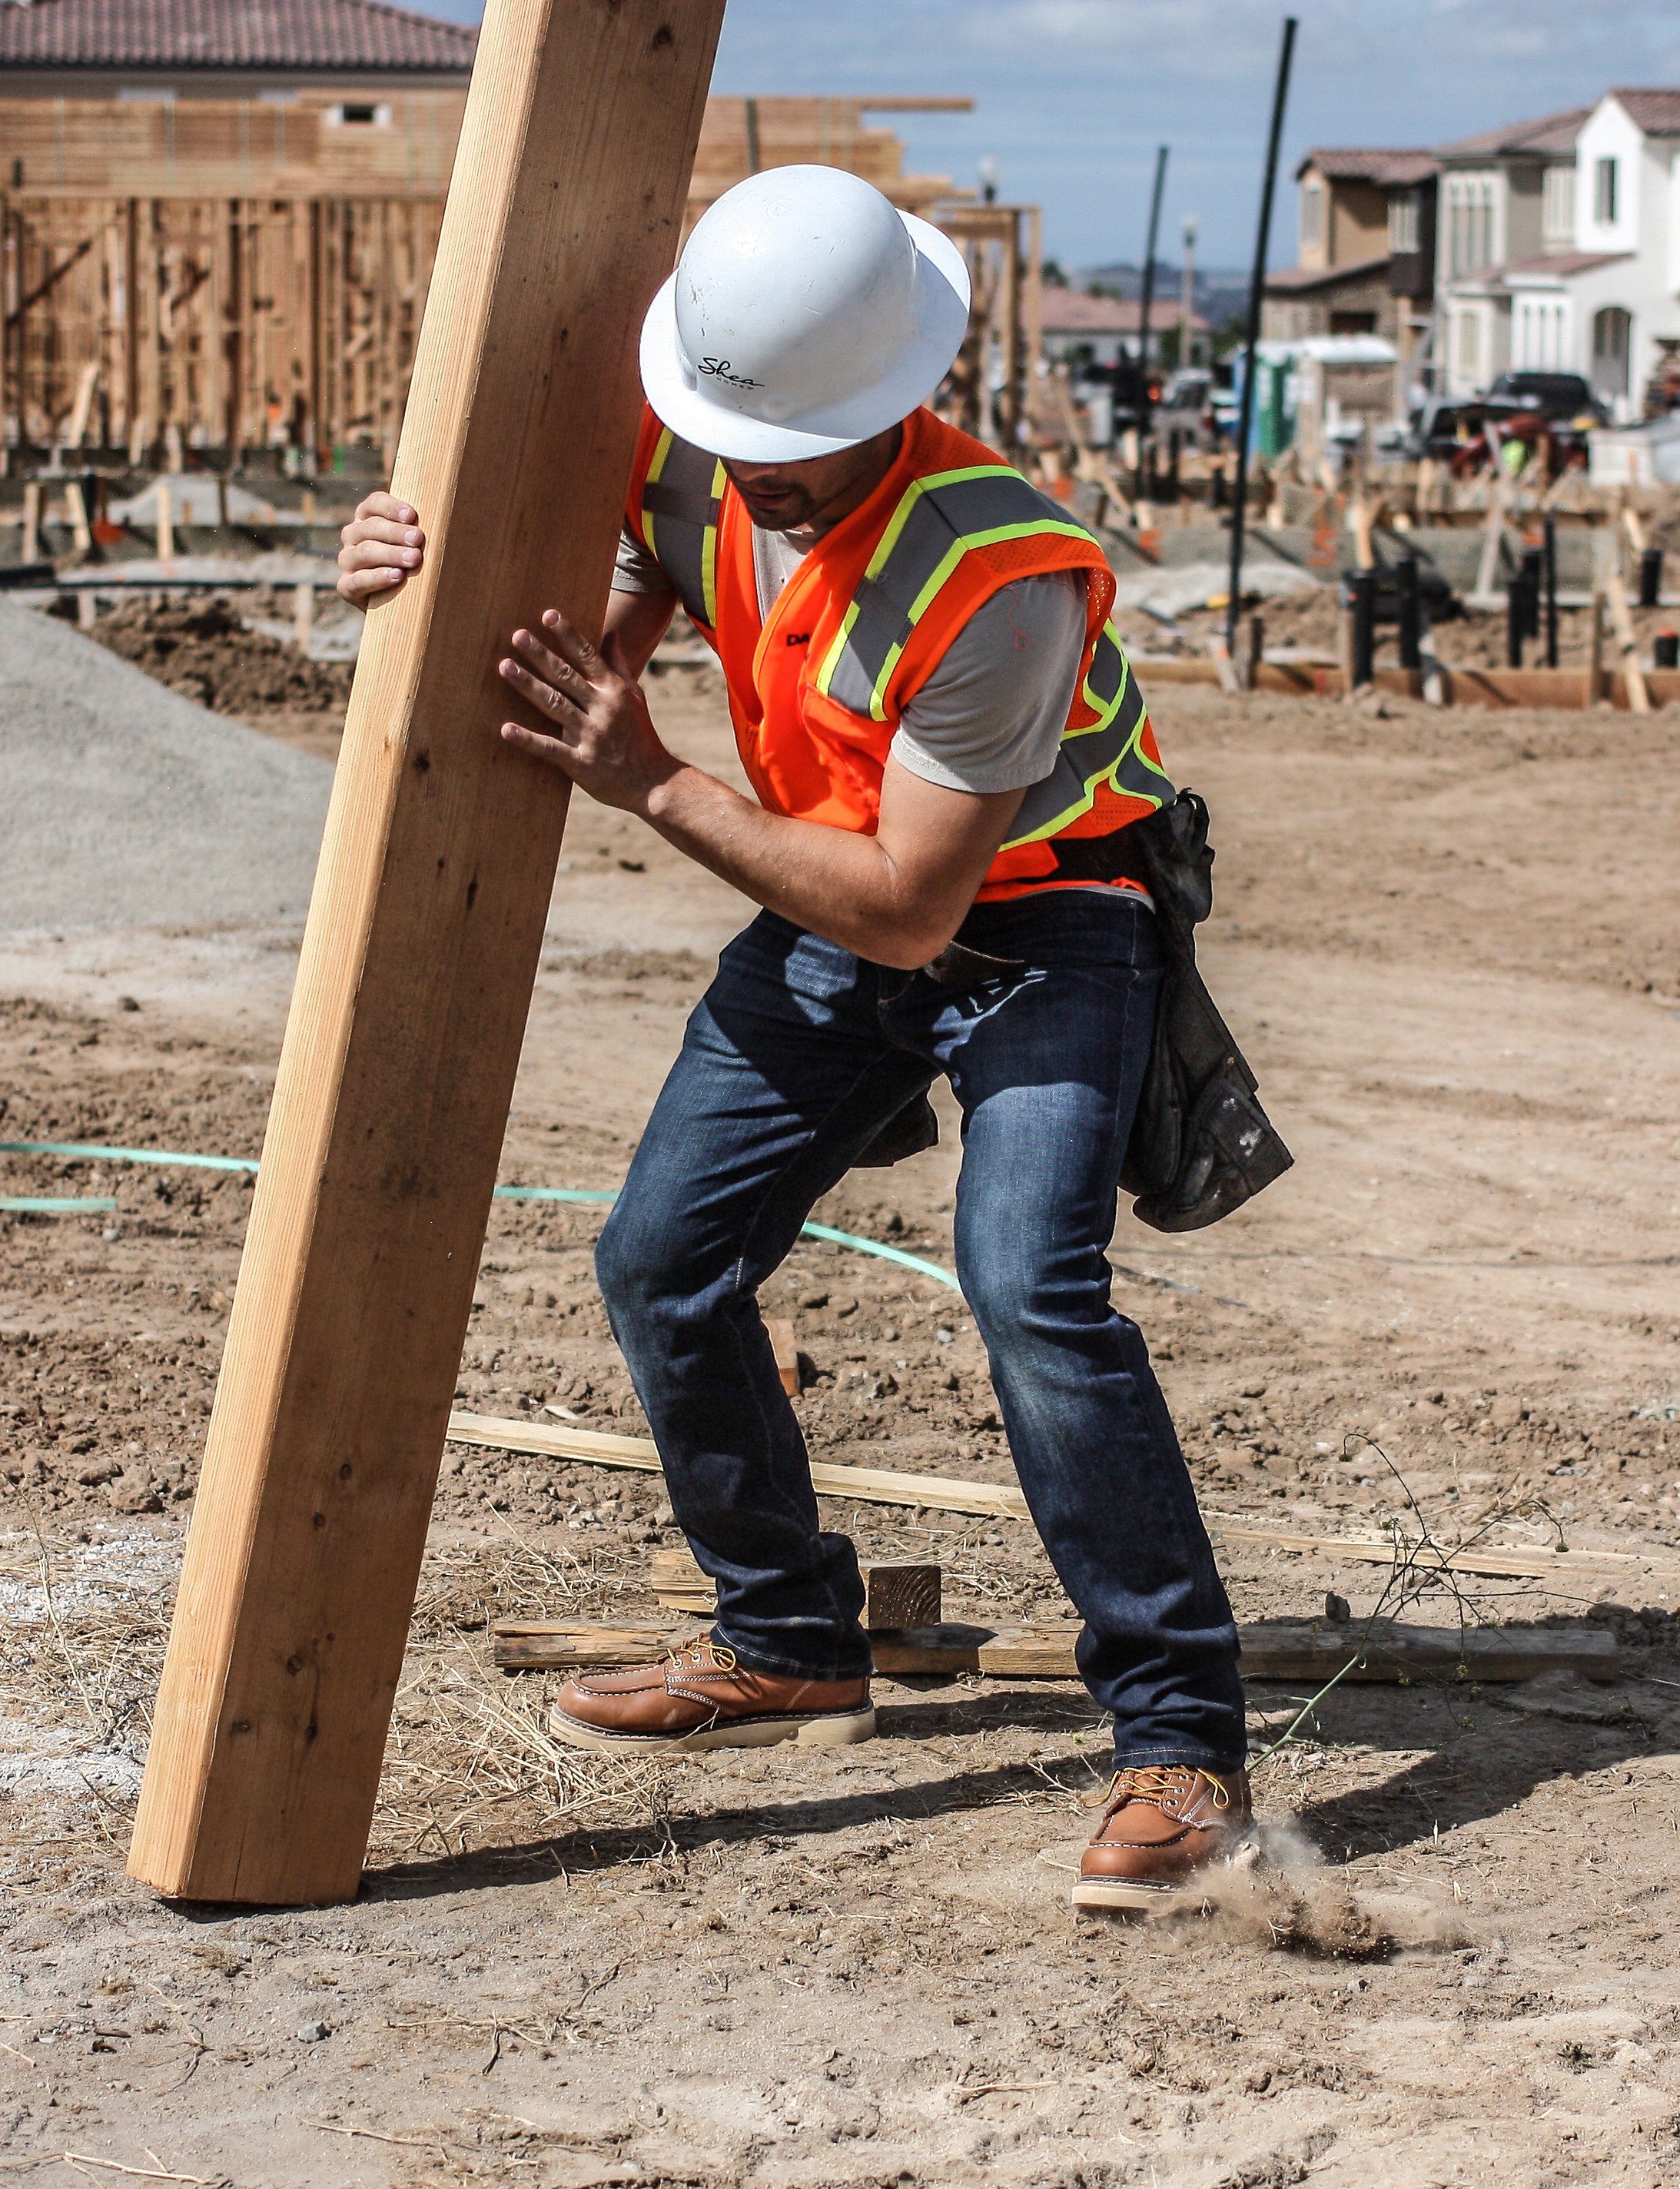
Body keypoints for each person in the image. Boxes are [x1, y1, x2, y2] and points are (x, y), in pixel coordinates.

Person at [334, 165, 1247, 1912]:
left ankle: (1178, 1733)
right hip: (843, 893)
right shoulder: (701, 439)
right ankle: (789, 1636)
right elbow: (552, 655)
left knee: (1029, 1285)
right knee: (660, 1256)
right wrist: (401, 566)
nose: (742, 482)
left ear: (891, 398)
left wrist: (654, 776)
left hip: (1045, 913)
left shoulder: (999, 578)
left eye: (786, 460)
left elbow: (911, 904)